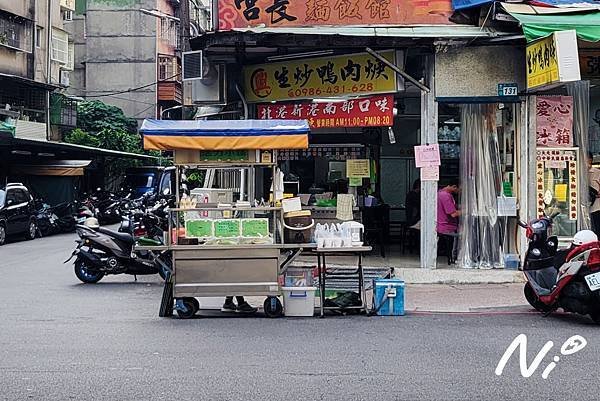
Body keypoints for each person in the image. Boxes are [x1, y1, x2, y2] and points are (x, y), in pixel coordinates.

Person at [437, 181, 461, 264]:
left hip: (441, 225)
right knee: (465, 234)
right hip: (447, 227)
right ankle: (454, 257)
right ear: (454, 186)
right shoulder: (446, 196)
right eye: (458, 189)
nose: (459, 191)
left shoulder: (439, 193)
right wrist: (467, 210)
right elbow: (453, 214)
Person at [588, 152, 600, 235]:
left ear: (591, 160)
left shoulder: (597, 172)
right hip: (583, 207)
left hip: (596, 206)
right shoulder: (578, 171)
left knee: (597, 228)